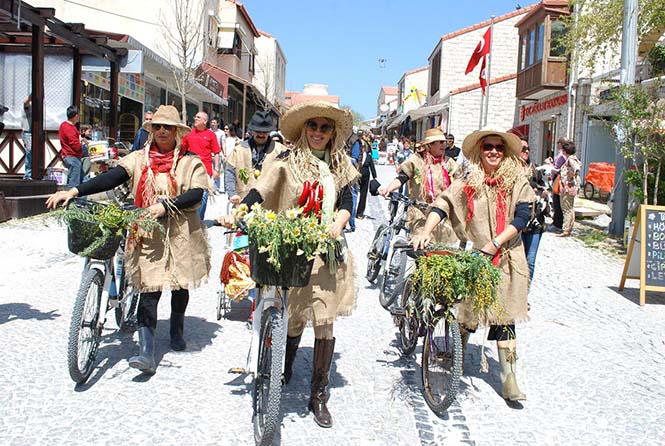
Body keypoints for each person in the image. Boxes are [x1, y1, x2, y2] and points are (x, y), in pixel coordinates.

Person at [219, 101, 358, 428]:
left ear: (332, 132)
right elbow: (260, 191)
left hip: (328, 251)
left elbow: (347, 201)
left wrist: (338, 222)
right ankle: (284, 368)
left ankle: (318, 395)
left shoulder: (340, 164)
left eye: (325, 128)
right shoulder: (286, 161)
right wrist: (238, 213)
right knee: (293, 319)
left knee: (325, 321)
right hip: (292, 250)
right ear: (303, 129)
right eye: (313, 126)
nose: (319, 133)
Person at [46, 105, 211, 374]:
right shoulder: (138, 158)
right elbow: (111, 177)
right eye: (157, 126)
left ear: (177, 131)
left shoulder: (189, 161)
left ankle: (176, 327)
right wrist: (75, 190)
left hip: (181, 231)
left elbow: (196, 194)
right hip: (146, 231)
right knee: (149, 288)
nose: (161, 131)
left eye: (167, 127)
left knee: (179, 285)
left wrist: (166, 206)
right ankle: (146, 353)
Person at [411, 129, 535, 402]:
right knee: (467, 313)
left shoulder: (518, 182)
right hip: (477, 258)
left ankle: (509, 378)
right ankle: (457, 355)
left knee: (506, 318)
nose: (493, 151)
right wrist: (426, 230)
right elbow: (443, 203)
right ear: (480, 150)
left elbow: (522, 217)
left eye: (499, 148)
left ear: (506, 152)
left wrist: (496, 244)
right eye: (488, 146)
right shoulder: (469, 181)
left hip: (508, 260)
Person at [379, 128, 459, 247]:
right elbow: (402, 177)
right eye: (440, 142)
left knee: (443, 248)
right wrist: (389, 189)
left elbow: (461, 182)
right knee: (422, 244)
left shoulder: (449, 162)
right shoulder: (416, 160)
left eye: (444, 142)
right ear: (430, 145)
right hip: (419, 210)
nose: (444, 145)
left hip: (442, 212)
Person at [224, 110, 276, 205]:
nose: (261, 134)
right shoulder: (238, 150)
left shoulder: (279, 151)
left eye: (264, 132)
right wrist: (232, 194)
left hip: (270, 208)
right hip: (243, 205)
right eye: (258, 131)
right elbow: (229, 172)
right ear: (252, 130)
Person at [519, 138, 549, 280]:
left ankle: (525, 294)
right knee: (517, 260)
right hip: (516, 221)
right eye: (522, 149)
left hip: (535, 221)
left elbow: (544, 187)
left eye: (527, 149)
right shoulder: (509, 170)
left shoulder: (535, 169)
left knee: (530, 261)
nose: (526, 152)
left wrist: (543, 192)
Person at [182, 111, 220, 219]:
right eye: (195, 116)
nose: (195, 118)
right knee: (189, 194)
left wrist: (216, 169)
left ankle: (199, 220)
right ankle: (190, 219)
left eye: (198, 117)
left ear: (205, 121)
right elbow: (182, 151)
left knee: (203, 195)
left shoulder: (211, 135)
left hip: (204, 171)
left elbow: (216, 152)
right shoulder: (188, 134)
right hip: (189, 170)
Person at [557, 141, 581, 237]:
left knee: (566, 208)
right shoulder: (573, 158)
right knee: (570, 208)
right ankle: (569, 228)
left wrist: (570, 177)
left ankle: (566, 229)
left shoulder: (570, 160)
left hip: (568, 187)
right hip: (572, 187)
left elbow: (576, 168)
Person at [59, 105, 84, 188]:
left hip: (72, 157)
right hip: (72, 157)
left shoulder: (66, 126)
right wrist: (82, 145)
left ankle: (80, 200)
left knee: (83, 181)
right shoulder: (68, 127)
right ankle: (72, 200)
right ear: (76, 116)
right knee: (75, 183)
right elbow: (75, 144)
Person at [354, 133, 377, 220]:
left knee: (363, 195)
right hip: (356, 176)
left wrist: (375, 177)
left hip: (366, 177)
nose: (362, 148)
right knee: (354, 193)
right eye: (361, 146)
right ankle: (352, 211)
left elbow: (372, 167)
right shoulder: (356, 155)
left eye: (364, 146)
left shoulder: (368, 156)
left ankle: (359, 213)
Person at [550, 137, 570, 232]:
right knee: (558, 201)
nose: (557, 144)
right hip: (560, 179)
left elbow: (558, 168)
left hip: (558, 179)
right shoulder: (564, 155)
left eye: (558, 142)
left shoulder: (562, 156)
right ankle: (557, 222)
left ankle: (557, 224)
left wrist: (550, 165)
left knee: (557, 201)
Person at [210, 117, 225, 193]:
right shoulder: (208, 131)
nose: (213, 124)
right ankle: (209, 188)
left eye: (214, 123)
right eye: (212, 122)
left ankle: (217, 189)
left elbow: (223, 144)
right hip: (209, 155)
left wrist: (224, 154)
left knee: (217, 171)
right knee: (208, 172)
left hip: (217, 155)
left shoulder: (221, 133)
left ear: (217, 124)